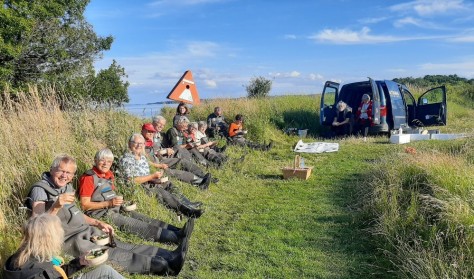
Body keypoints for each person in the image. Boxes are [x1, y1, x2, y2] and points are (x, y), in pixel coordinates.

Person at [25, 154, 188, 275]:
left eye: (69, 173)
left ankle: (169, 255)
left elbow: (76, 213)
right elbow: (37, 223)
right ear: (52, 169)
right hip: (71, 239)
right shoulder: (40, 189)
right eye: (61, 171)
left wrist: (97, 223)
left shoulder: (66, 187)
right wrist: (55, 206)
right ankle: (165, 267)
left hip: (87, 230)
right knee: (113, 254)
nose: (65, 176)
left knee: (121, 244)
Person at [78, 148, 194, 245]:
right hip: (102, 214)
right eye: (102, 160)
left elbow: (111, 194)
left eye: (109, 161)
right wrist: (108, 204)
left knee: (144, 218)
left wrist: (123, 201)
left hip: (116, 208)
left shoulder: (109, 175)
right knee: (137, 225)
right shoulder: (88, 178)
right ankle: (174, 239)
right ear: (95, 160)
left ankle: (177, 231)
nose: (105, 163)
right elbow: (84, 205)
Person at [3, 213, 124, 279]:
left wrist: (80, 262)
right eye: (58, 231)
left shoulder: (20, 256)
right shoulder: (41, 273)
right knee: (106, 272)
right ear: (48, 239)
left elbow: (56, 273)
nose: (62, 233)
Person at [119, 133, 205, 216]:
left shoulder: (142, 157)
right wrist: (152, 176)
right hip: (139, 187)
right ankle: (186, 210)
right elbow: (132, 180)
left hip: (149, 182)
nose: (139, 145)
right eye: (136, 143)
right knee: (161, 192)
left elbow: (145, 174)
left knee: (168, 184)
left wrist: (155, 179)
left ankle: (188, 203)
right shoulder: (127, 159)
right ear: (130, 144)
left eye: (141, 143)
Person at [142, 121, 212, 189]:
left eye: (152, 131)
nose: (151, 133)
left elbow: (156, 151)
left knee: (181, 160)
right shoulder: (140, 142)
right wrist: (161, 159)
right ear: (143, 130)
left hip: (160, 158)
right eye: (148, 131)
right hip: (155, 163)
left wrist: (165, 151)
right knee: (171, 171)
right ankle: (199, 182)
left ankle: (203, 176)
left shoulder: (153, 138)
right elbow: (145, 158)